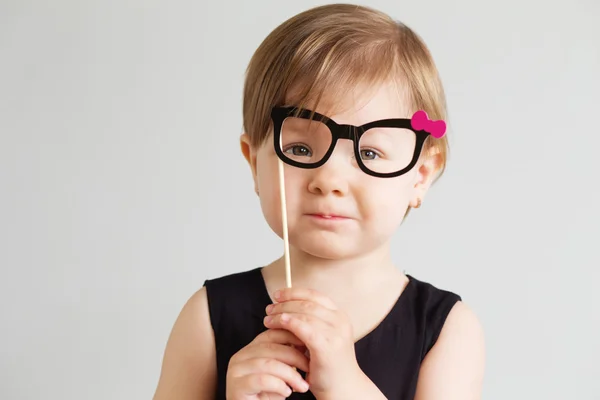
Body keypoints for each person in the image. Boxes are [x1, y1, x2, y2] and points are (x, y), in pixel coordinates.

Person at [152, 3, 485, 400]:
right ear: (254, 161)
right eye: (300, 148)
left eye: (371, 153)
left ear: (421, 175)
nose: (328, 180)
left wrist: (348, 387)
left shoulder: (447, 330)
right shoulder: (207, 317)